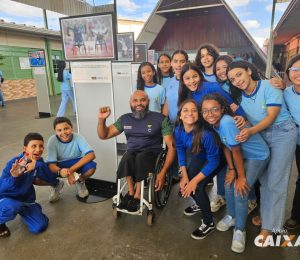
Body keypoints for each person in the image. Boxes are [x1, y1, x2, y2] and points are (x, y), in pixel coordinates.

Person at [227, 60, 297, 244]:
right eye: (232, 79)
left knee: (276, 182)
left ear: (249, 71)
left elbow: (271, 117)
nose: (237, 80)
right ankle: (268, 218)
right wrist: (244, 124)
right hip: (262, 134)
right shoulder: (241, 98)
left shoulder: (268, 86)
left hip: (283, 133)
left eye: (239, 74)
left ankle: (271, 228)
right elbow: (253, 119)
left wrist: (250, 130)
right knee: (265, 181)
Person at [200, 93, 269, 253]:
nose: (210, 114)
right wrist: (231, 170)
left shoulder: (226, 122)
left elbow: (236, 151)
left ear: (223, 109)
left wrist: (241, 177)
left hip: (257, 156)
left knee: (240, 191)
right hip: (243, 156)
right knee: (229, 183)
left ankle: (240, 230)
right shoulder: (214, 123)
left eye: (214, 110)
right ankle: (232, 216)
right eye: (205, 111)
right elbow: (226, 146)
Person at [97, 90, 176, 213]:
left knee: (140, 158)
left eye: (143, 100)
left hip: (152, 153)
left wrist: (163, 172)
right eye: (135, 100)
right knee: (127, 157)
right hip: (133, 151)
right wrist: (102, 120)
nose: (139, 103)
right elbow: (104, 135)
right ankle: (131, 192)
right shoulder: (125, 119)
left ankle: (138, 195)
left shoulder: (160, 119)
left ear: (148, 102)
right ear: (130, 103)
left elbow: (172, 147)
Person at [175, 99, 225, 239]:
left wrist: (194, 181)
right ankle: (200, 204)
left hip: (216, 159)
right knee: (187, 184)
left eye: (194, 110)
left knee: (197, 187)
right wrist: (185, 176)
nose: (190, 113)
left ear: (199, 114)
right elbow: (180, 150)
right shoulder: (178, 130)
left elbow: (214, 161)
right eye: (185, 110)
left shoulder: (206, 134)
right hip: (200, 157)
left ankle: (208, 223)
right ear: (180, 115)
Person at [0, 133, 64, 238]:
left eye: (41, 146)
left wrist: (38, 165)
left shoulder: (39, 162)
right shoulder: (14, 163)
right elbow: (1, 187)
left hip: (25, 200)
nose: (38, 149)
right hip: (7, 199)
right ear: (25, 148)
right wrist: (14, 177)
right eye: (34, 146)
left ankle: (29, 210)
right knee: (11, 207)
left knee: (40, 226)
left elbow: (51, 178)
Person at [47, 117, 96, 199]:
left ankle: (80, 181)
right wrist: (60, 171)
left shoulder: (78, 137)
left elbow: (91, 155)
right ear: (55, 131)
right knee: (45, 171)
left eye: (66, 128)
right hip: (60, 164)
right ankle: (56, 185)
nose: (63, 132)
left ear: (71, 128)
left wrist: (70, 171)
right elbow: (52, 164)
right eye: (59, 130)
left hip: (76, 161)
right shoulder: (52, 141)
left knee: (91, 168)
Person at [283, 55, 300, 230]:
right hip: (297, 142)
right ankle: (296, 215)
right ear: (289, 72)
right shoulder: (286, 93)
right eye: (295, 69)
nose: (298, 73)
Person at [162, 50, 189, 125]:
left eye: (182, 61)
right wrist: (163, 123)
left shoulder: (190, 82)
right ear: (171, 63)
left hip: (186, 125)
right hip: (172, 126)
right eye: (176, 61)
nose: (179, 65)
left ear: (187, 63)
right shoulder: (171, 81)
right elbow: (167, 103)